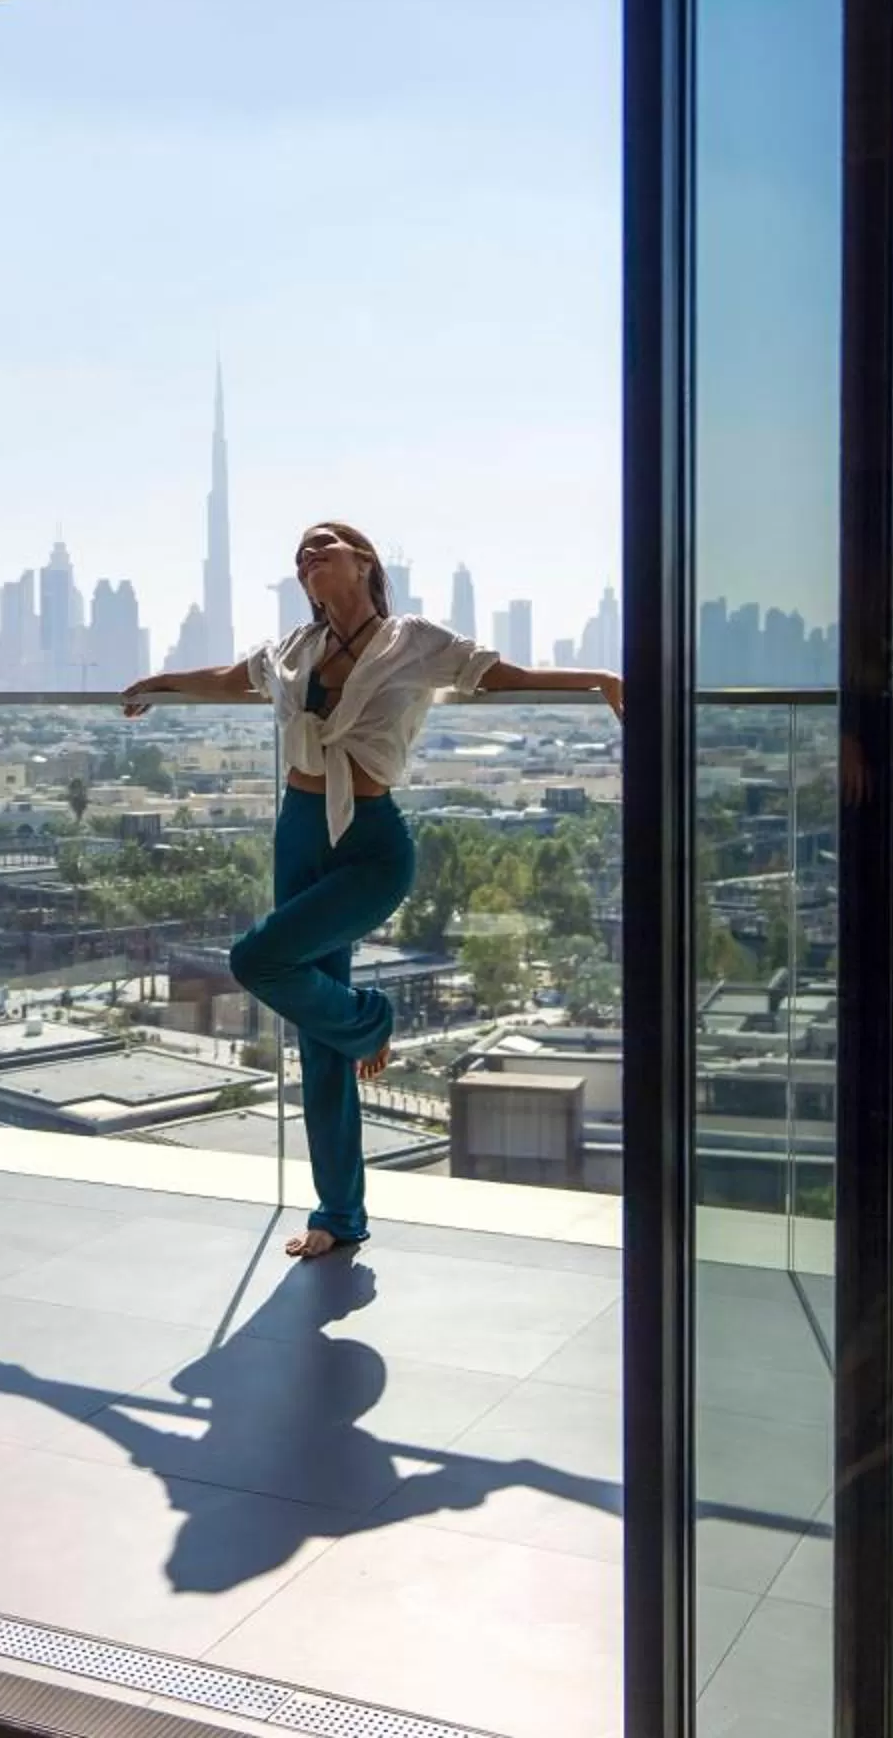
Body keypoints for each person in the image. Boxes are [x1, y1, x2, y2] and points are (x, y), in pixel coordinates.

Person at [126, 521, 624, 1258]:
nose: (308, 555)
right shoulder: (293, 650)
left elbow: (505, 675)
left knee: (256, 962)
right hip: (298, 830)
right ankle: (339, 1216)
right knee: (317, 1044)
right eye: (300, 552)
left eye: (323, 543)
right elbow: (231, 680)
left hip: (370, 843)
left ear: (364, 560)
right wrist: (156, 685)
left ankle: (371, 1018)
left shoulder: (412, 641)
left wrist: (598, 680)